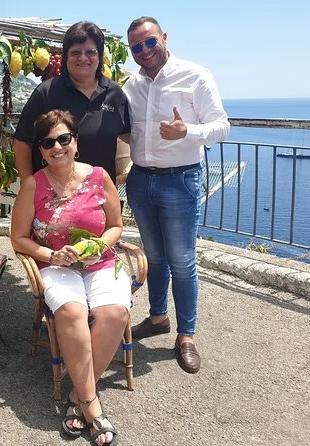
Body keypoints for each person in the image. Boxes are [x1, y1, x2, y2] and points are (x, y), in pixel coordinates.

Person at [10, 109, 130, 445]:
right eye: (48, 142)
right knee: (72, 312)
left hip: (100, 261)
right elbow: (18, 238)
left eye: (64, 138)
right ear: (41, 150)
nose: (57, 147)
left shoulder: (99, 177)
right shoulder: (33, 185)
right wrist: (52, 255)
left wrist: (97, 246)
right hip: (56, 265)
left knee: (115, 313)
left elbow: (116, 226)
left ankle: (77, 397)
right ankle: (92, 406)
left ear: (75, 142)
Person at [122, 16, 230, 374]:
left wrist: (188, 132)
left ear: (164, 38)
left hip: (180, 180)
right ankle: (158, 318)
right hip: (140, 180)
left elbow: (222, 126)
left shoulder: (194, 75)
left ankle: (186, 336)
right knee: (154, 257)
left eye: (150, 42)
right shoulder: (131, 85)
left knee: (182, 261)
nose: (144, 51)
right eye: (136, 46)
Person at [13, 21, 130, 184]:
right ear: (65, 57)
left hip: (99, 192)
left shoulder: (115, 94)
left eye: (90, 52)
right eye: (75, 52)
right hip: (53, 192)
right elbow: (22, 142)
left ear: (99, 56)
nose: (83, 58)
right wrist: (28, 184)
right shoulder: (46, 93)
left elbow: (128, 136)